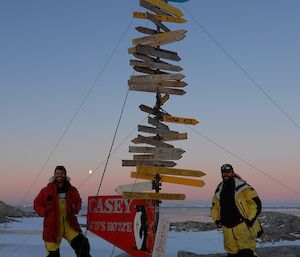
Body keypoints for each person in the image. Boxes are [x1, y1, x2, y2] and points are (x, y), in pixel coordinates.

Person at [34, 165, 92, 257]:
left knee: (83, 245)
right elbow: (37, 204)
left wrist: (76, 209)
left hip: (69, 224)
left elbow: (78, 201)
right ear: (54, 175)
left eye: (61, 173)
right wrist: (45, 212)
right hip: (52, 227)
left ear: (65, 175)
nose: (59, 175)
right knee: (52, 254)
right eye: (57, 173)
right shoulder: (46, 191)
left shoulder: (72, 190)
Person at [211, 164, 263, 257]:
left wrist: (249, 220)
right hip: (227, 227)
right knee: (231, 252)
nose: (225, 174)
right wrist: (217, 220)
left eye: (228, 172)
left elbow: (256, 204)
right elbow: (214, 207)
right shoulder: (219, 188)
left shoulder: (243, 187)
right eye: (223, 172)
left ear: (232, 173)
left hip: (242, 225)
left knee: (247, 252)